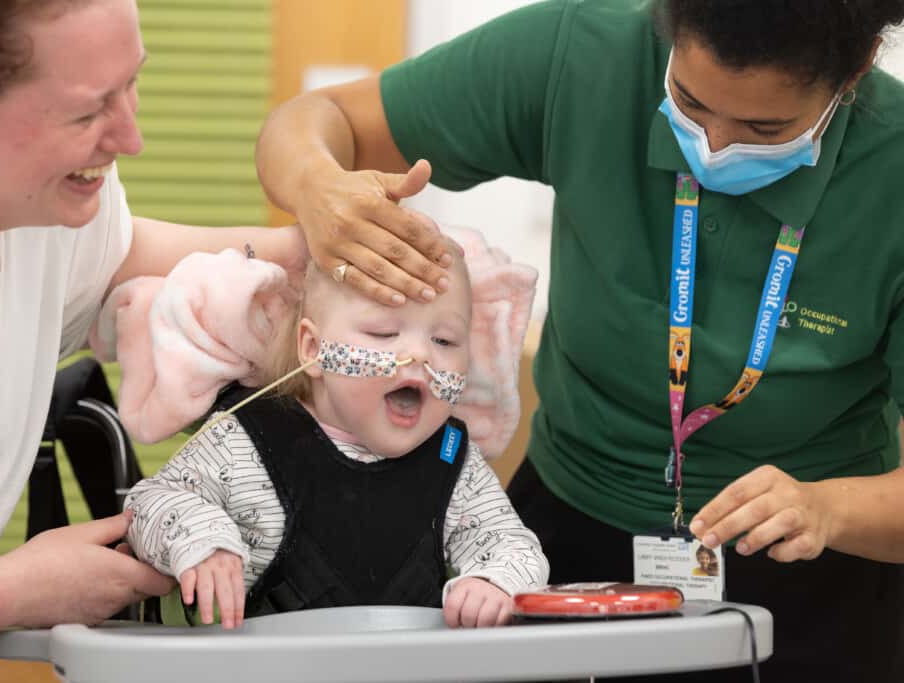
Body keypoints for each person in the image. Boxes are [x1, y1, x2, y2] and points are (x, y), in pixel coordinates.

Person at [253, 0, 904, 680]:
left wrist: (826, 508)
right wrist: (315, 186)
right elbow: (311, 122)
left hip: (809, 576)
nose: (712, 146)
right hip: (566, 537)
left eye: (763, 129)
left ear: (853, 75)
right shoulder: (581, 57)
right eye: (688, 104)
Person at [0, 1, 308, 678]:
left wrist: (312, 253)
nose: (131, 137)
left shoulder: (47, 206)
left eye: (132, 84)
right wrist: (15, 589)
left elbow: (120, 255)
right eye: (87, 112)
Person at [124, 246, 550, 629]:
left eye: (445, 340)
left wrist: (494, 582)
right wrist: (203, 543)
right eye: (384, 333)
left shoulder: (454, 461)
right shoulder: (245, 444)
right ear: (313, 348)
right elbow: (151, 502)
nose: (421, 355)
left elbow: (511, 543)